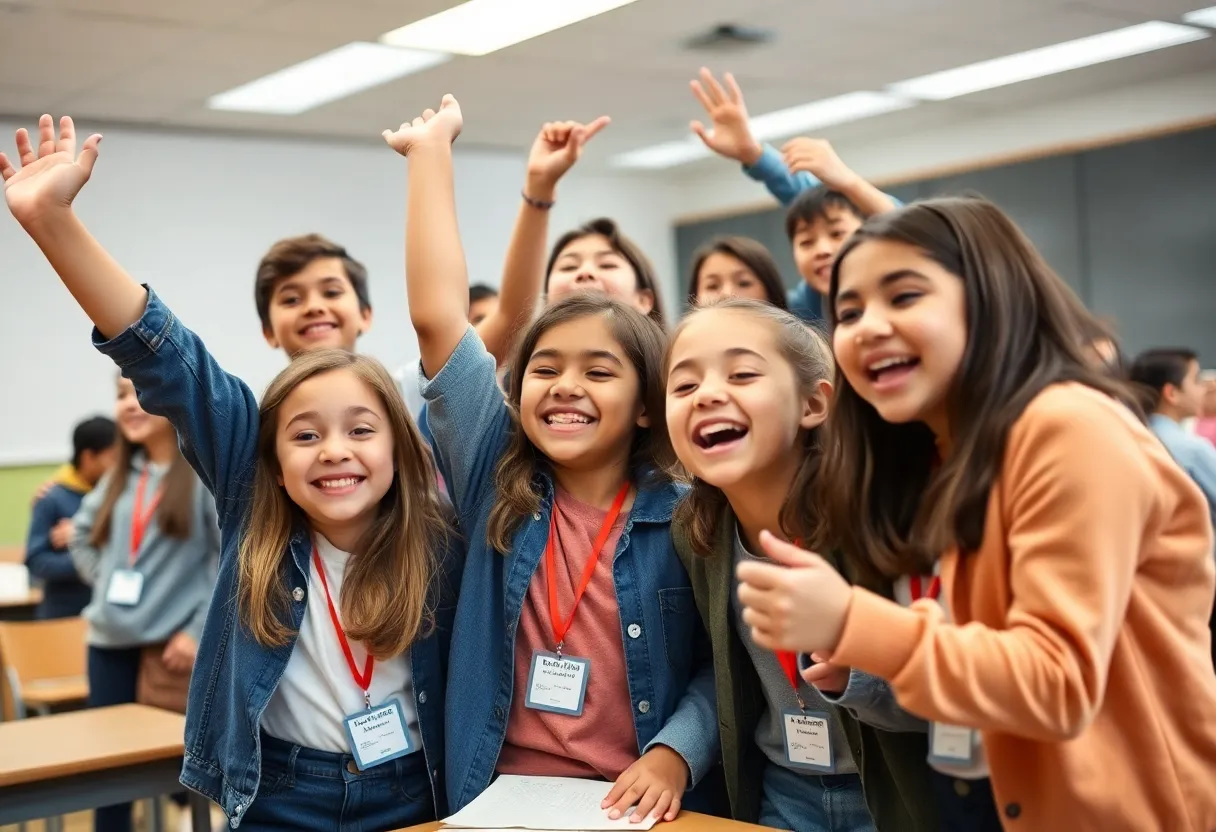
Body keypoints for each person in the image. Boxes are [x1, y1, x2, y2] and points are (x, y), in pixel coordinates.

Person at [1, 113, 461, 831]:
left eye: (361, 431)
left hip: (414, 784)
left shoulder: (435, 536)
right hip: (281, 790)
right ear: (271, 463)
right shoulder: (254, 497)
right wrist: (52, 222)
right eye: (305, 436)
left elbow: (451, 334)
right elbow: (167, 359)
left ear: (403, 451)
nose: (334, 451)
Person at [732, 197, 1216, 829]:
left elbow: (1057, 682)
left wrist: (856, 619)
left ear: (992, 299)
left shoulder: (1067, 427)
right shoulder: (943, 453)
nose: (869, 326)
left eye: (904, 297)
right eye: (848, 312)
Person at [385, 95, 718, 821]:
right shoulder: (493, 477)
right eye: (546, 369)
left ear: (644, 403)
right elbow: (440, 317)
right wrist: (431, 156)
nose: (567, 387)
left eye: (599, 372)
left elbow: (719, 665)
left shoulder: (692, 513)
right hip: (496, 798)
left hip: (630, 803)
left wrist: (676, 750)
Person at [663, 298, 937, 831]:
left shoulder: (879, 523)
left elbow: (961, 689)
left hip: (891, 791)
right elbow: (718, 677)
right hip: (784, 789)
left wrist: (858, 665)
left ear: (814, 403)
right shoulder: (697, 533)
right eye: (684, 386)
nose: (709, 395)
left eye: (742, 374)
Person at [688, 68, 898, 323]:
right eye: (806, 243)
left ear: (870, 231)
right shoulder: (804, 310)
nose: (822, 250)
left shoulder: (907, 284)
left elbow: (912, 230)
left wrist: (849, 182)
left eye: (837, 234)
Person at [25, 415, 116, 618]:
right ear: (88, 457)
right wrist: (86, 555)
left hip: (108, 615)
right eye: (112, 457)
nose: (119, 465)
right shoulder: (51, 498)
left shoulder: (118, 494)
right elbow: (36, 562)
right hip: (63, 616)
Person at [686, 237, 788, 310]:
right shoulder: (680, 340)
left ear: (771, 295)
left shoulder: (794, 339)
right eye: (713, 286)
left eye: (743, 283)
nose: (728, 294)